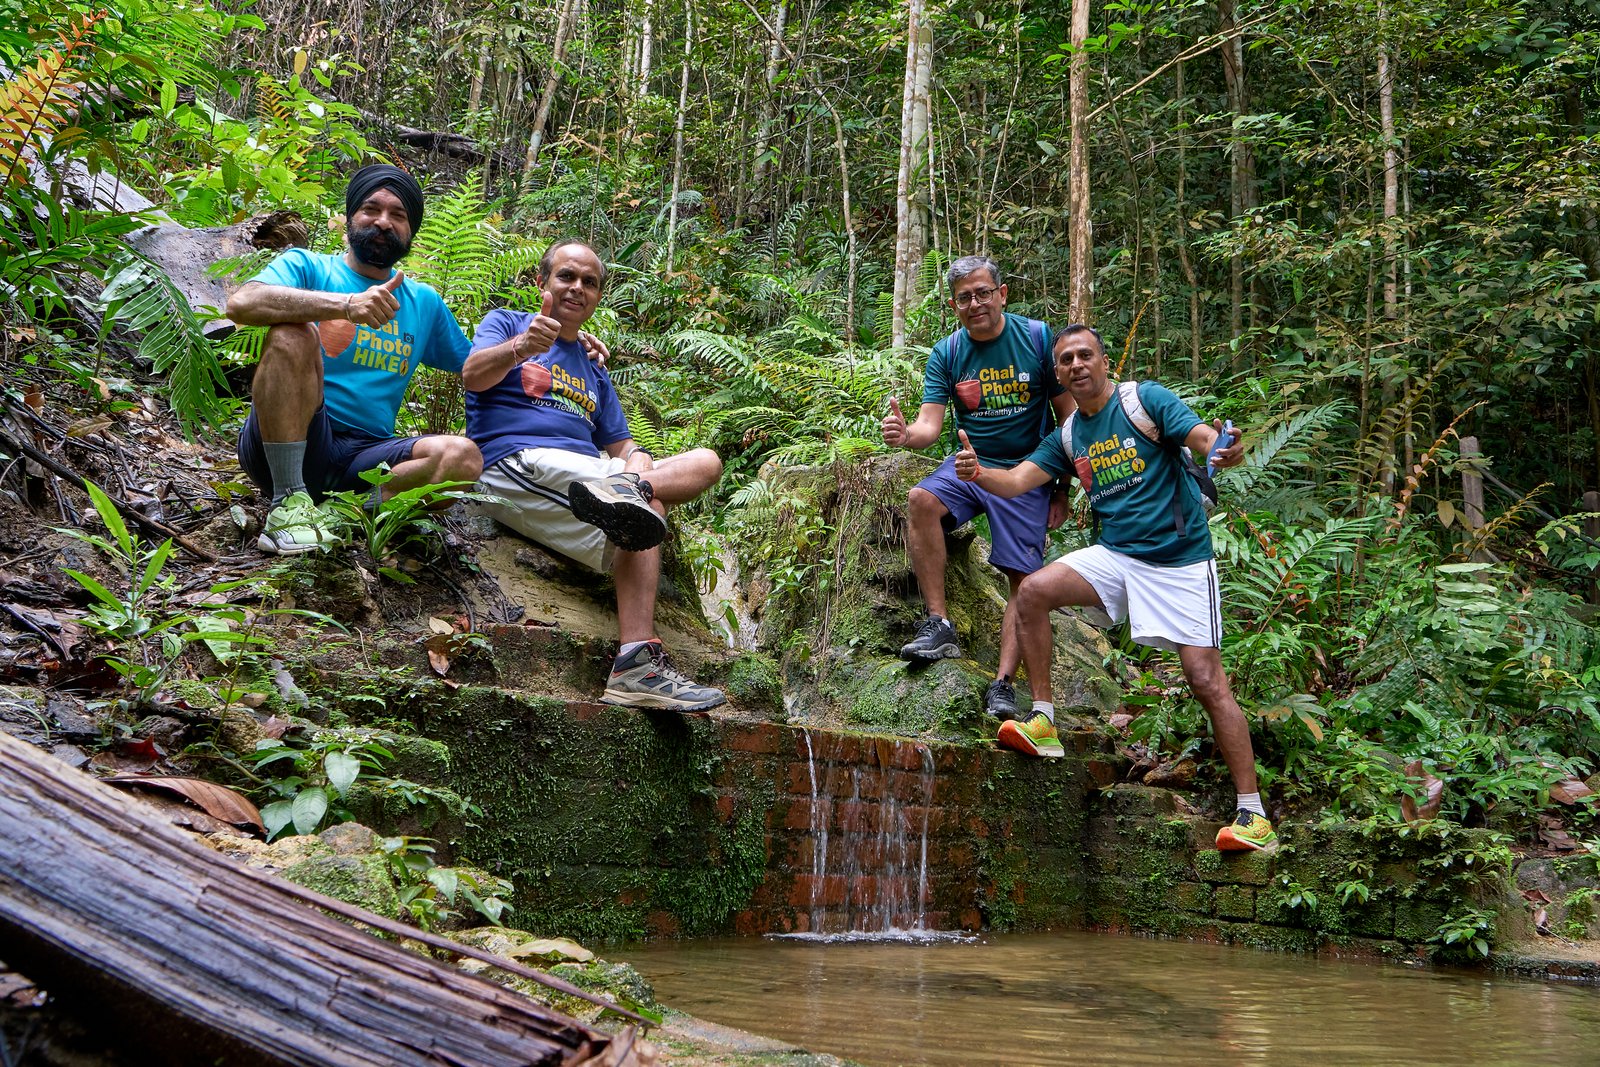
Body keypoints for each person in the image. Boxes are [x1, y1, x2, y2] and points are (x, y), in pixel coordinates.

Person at [955, 324, 1275, 852]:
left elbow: (1200, 437)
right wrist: (977, 473)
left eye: (1085, 355)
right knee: (1032, 591)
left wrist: (1221, 448)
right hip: (1118, 556)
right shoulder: (1068, 435)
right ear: (1057, 374)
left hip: (1179, 562)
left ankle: (1253, 813)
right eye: (1066, 360)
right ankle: (1043, 720)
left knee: (1206, 681)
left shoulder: (1143, 402)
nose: (1076, 365)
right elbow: (1015, 481)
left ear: (1105, 362)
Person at [464, 240, 726, 713]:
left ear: (598, 297)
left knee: (706, 461)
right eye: (566, 276)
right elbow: (472, 376)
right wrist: (523, 347)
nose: (577, 288)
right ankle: (637, 666)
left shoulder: (593, 367)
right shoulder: (506, 323)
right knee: (647, 507)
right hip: (517, 461)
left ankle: (629, 492)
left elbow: (623, 445)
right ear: (542, 282)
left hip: (588, 471)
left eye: (589, 282)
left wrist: (638, 465)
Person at [229, 164, 487, 555]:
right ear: (351, 216)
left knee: (462, 458)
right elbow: (243, 303)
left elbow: (476, 366)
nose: (383, 221)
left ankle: (339, 516)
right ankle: (288, 504)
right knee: (293, 333)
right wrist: (347, 305)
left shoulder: (424, 302)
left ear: (411, 231)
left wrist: (547, 345)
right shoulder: (308, 265)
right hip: (287, 441)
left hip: (364, 457)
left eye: (398, 215)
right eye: (371, 209)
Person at [879, 256, 1074, 721]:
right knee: (921, 500)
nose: (975, 303)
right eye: (965, 297)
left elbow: (1069, 419)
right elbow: (929, 426)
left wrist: (1061, 489)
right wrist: (905, 435)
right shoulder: (948, 352)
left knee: (1022, 580)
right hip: (970, 465)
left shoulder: (1037, 339)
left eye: (983, 293)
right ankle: (939, 623)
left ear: (1002, 294)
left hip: (1026, 472)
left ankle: (1004, 683)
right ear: (954, 305)